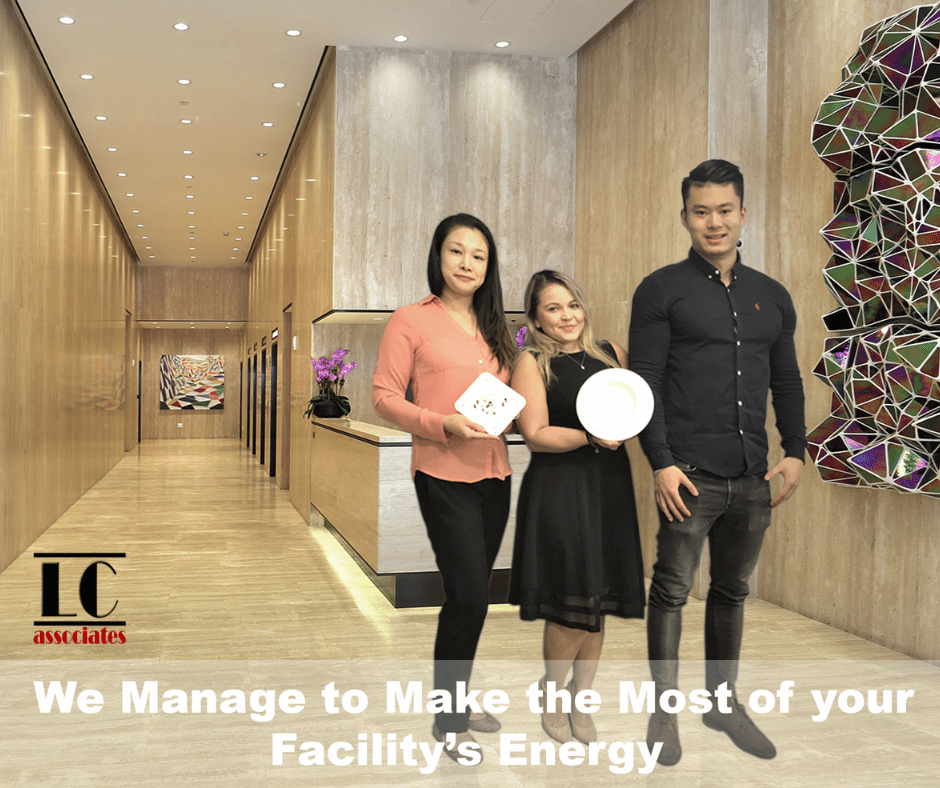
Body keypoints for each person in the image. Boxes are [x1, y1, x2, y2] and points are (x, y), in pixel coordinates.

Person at [628, 160, 806, 766]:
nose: (714, 222)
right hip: (688, 475)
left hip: (752, 477)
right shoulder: (661, 290)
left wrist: (797, 452)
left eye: (725, 210)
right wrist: (660, 461)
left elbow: (785, 380)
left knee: (732, 592)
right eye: (701, 211)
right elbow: (645, 380)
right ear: (685, 217)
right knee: (673, 592)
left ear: (743, 213)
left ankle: (723, 703)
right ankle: (664, 713)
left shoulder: (771, 296)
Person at [372, 213, 518, 764]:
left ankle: (455, 698)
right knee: (468, 597)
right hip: (442, 473)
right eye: (457, 252)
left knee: (472, 599)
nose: (466, 263)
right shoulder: (410, 320)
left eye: (478, 256)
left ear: (488, 266)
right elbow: (384, 396)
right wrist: (441, 423)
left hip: (495, 474)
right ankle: (449, 721)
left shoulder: (498, 328)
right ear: (438, 256)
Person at [509, 270, 645, 745]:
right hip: (561, 488)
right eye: (553, 308)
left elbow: (636, 410)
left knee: (599, 598)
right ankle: (552, 693)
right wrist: (590, 435)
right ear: (538, 320)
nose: (566, 316)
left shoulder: (612, 354)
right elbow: (536, 434)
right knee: (571, 601)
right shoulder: (531, 361)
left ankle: (579, 698)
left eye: (572, 305)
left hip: (610, 486)